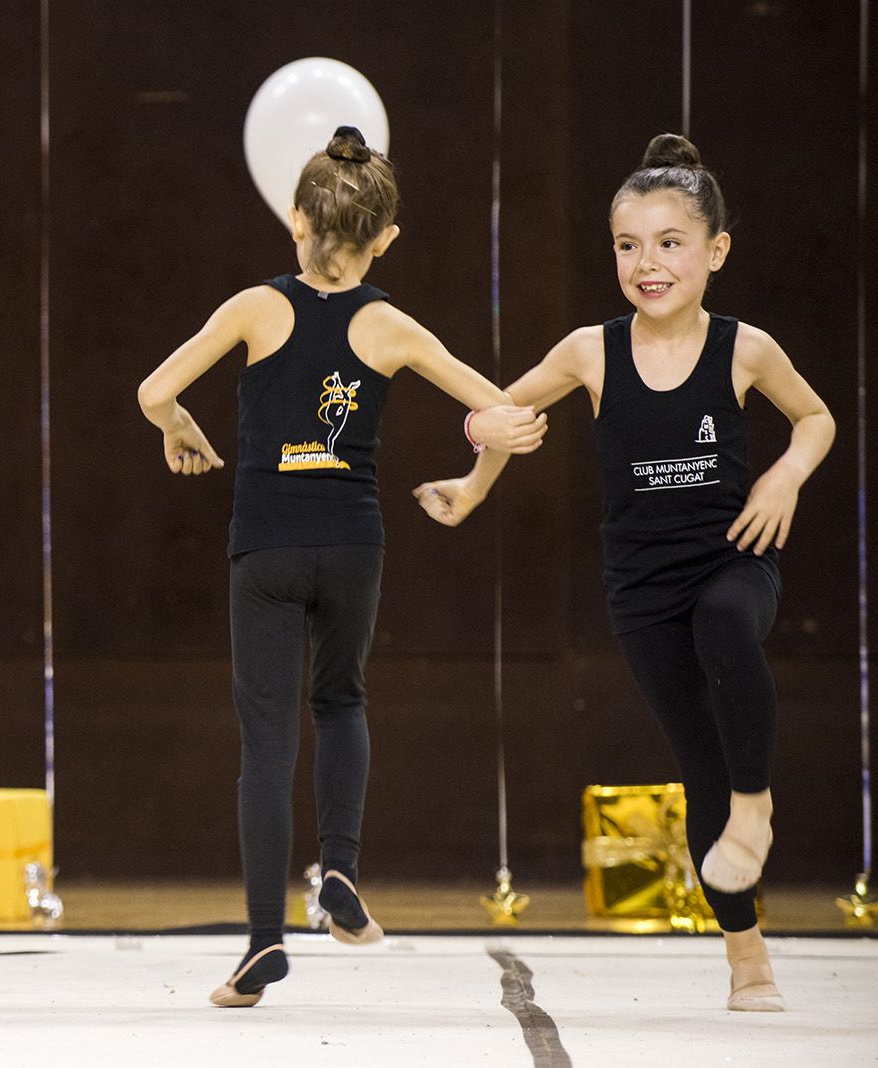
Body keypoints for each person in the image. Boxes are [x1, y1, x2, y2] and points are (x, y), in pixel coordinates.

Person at [415, 133, 835, 1012]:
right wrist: (472, 456)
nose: (648, 263)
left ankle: (757, 809)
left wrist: (785, 472)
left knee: (725, 626)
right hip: (641, 591)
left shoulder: (745, 348)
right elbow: (503, 412)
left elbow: (817, 418)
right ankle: (746, 956)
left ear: (715, 251)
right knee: (698, 766)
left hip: (735, 556)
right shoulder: (590, 351)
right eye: (628, 245)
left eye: (670, 242)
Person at [136, 126, 547, 1008]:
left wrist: (180, 428)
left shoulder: (256, 309)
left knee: (268, 741)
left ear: (294, 221)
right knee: (343, 700)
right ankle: (342, 872)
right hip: (354, 543)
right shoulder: (391, 325)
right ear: (386, 238)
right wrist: (476, 477)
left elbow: (154, 389)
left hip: (268, 549)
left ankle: (260, 946)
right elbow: (509, 411)